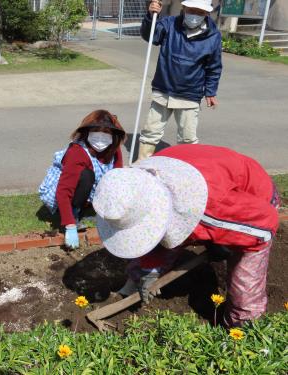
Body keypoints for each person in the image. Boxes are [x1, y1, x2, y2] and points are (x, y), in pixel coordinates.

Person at [93, 144, 280, 327]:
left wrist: (231, 240)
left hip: (254, 204)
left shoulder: (211, 209)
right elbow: (155, 230)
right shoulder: (141, 180)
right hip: (209, 184)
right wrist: (149, 269)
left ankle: (244, 326)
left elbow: (264, 224)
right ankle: (140, 278)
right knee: (163, 239)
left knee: (244, 281)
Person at [137, 0, 222, 160]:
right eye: (192, 10)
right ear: (184, 8)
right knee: (150, 132)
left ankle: (186, 167)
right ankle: (143, 163)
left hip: (190, 93)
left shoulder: (213, 36)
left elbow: (214, 66)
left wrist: (210, 91)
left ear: (207, 13)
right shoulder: (169, 24)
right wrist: (151, 16)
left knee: (187, 138)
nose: (195, 15)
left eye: (200, 12)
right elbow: (151, 37)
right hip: (163, 89)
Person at [39, 110, 126, 249]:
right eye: (96, 131)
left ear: (113, 135)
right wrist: (70, 226)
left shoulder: (113, 147)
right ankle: (74, 212)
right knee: (86, 175)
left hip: (90, 188)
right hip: (63, 190)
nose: (101, 137)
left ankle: (87, 206)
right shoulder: (77, 152)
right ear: (87, 132)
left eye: (106, 132)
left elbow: (117, 177)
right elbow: (63, 191)